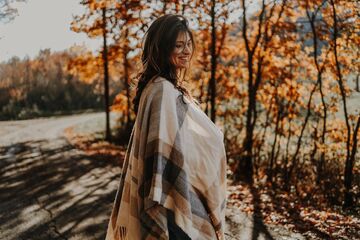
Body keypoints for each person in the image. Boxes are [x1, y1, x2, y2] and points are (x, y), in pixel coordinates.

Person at [105, 14, 227, 240]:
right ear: (162, 49)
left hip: (180, 190)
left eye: (188, 44)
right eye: (178, 45)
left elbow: (180, 141)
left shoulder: (168, 88)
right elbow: (161, 153)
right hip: (169, 197)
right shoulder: (161, 90)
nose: (186, 51)